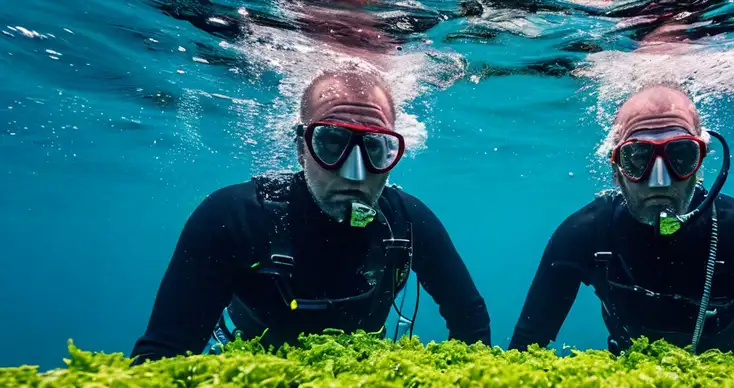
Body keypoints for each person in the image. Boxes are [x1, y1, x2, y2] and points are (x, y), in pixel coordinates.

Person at [130, 66, 490, 364]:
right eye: (331, 142)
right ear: (302, 148)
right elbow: (162, 353)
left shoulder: (408, 220)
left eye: (375, 148)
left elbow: (470, 317)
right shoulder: (234, 215)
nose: (355, 173)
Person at [508, 84, 734, 375]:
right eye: (638, 158)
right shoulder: (583, 234)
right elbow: (526, 347)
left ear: (701, 161)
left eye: (680, 156)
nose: (659, 181)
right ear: (616, 168)